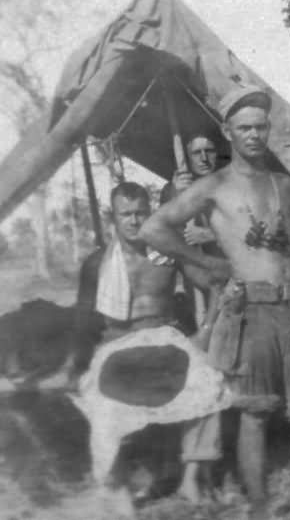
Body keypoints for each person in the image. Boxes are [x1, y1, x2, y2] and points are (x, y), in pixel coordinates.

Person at [139, 85, 290, 519]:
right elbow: (153, 228)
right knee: (255, 412)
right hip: (251, 311)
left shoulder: (283, 184)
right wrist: (208, 264)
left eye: (260, 127)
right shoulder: (214, 186)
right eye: (244, 128)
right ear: (228, 132)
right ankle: (260, 508)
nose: (254, 135)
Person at [72, 182, 224, 506]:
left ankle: (190, 480)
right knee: (104, 409)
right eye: (125, 214)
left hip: (164, 340)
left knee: (210, 386)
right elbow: (83, 320)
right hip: (116, 346)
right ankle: (118, 491)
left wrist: (206, 331)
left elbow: (214, 285)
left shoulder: (167, 254)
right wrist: (81, 362)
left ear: (151, 213)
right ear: (113, 217)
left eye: (140, 213)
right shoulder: (97, 263)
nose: (133, 220)